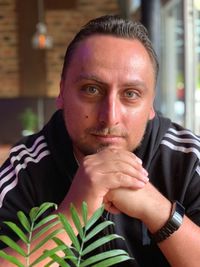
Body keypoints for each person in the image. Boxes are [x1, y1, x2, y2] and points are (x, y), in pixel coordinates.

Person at [0, 14, 200, 267]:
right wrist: (72, 213)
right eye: (91, 89)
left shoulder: (189, 157)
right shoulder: (26, 166)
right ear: (62, 93)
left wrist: (159, 212)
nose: (110, 117)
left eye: (130, 94)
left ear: (151, 104)